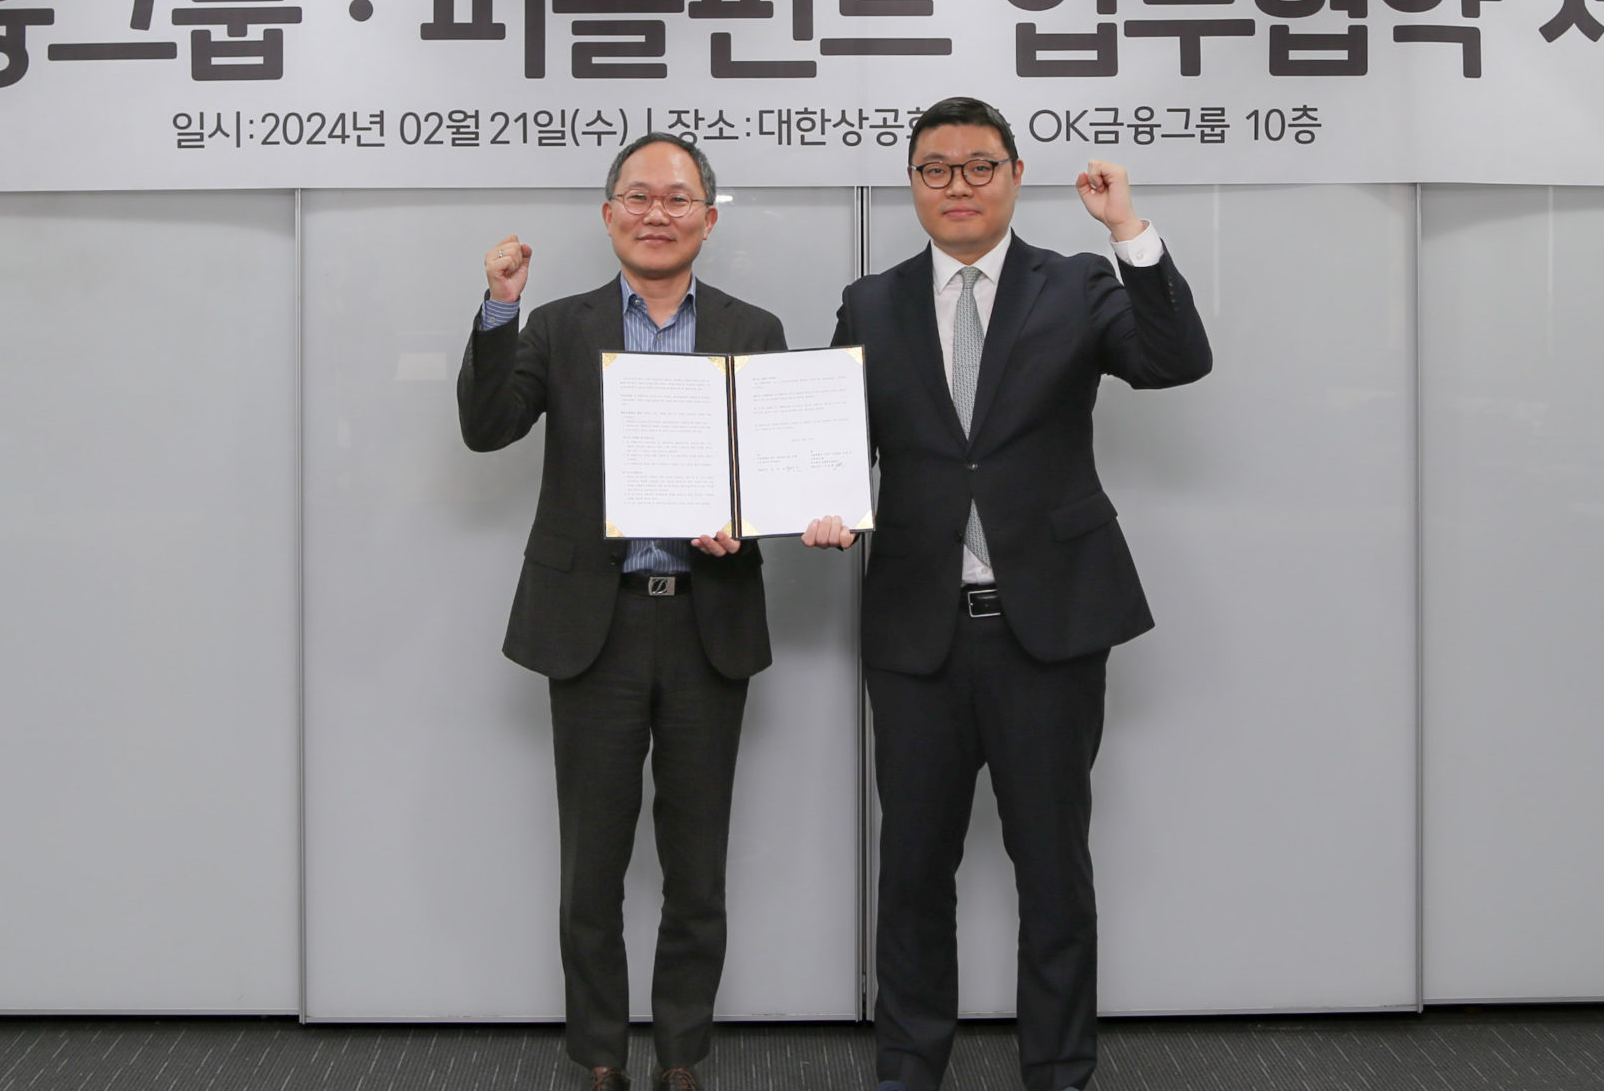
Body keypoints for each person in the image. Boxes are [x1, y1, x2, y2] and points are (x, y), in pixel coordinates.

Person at [808, 96, 1213, 1091]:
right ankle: (908, 1069)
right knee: (912, 871)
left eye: (979, 165)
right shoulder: (870, 303)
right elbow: (828, 445)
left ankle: (1059, 1070)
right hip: (918, 631)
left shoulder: (1076, 282)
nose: (958, 185)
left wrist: (1128, 229)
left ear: (1015, 175)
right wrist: (816, 503)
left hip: (1051, 625)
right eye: (935, 169)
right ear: (912, 183)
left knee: (1053, 868)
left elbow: (1174, 360)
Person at [458, 131, 802, 1091]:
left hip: (706, 620)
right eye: (639, 196)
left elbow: (775, 468)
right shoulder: (555, 326)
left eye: (678, 198)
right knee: (592, 865)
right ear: (609, 213)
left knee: (698, 864)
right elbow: (487, 427)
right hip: (593, 625)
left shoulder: (752, 328)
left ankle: (681, 1052)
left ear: (708, 218)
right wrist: (499, 305)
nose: (659, 213)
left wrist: (749, 519)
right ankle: (601, 1053)